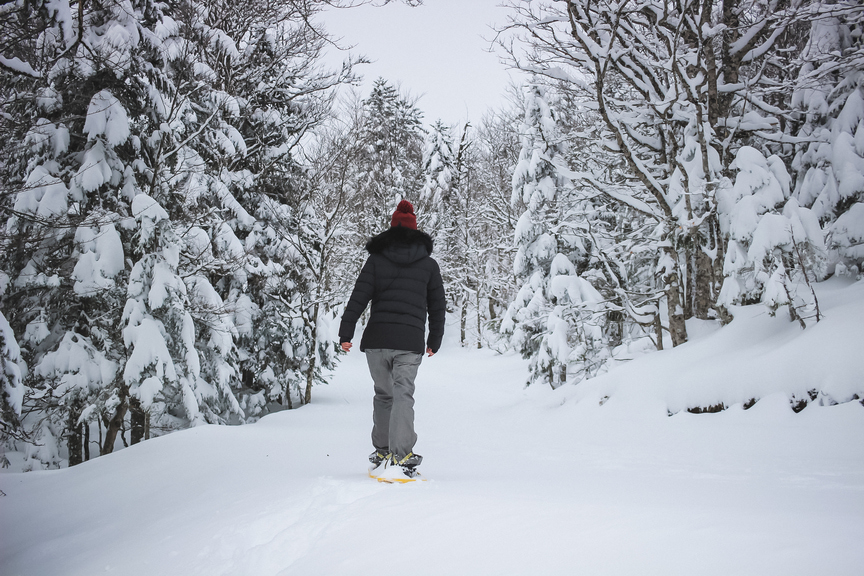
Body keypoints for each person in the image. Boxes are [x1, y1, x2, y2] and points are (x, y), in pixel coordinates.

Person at [339, 200, 446, 478]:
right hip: (409, 343)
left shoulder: (376, 260)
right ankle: (401, 457)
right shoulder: (429, 265)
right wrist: (435, 338)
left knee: (383, 395)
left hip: (377, 341)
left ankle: (383, 451)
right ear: (415, 230)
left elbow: (358, 297)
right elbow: (437, 306)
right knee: (403, 395)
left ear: (391, 228)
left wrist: (346, 332)